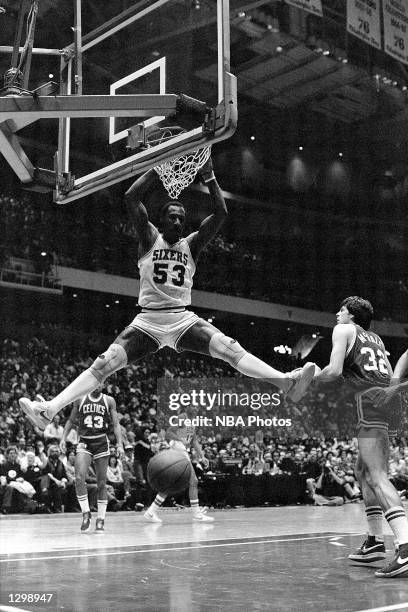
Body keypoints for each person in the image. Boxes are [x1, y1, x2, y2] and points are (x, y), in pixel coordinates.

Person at [19, 158, 315, 432]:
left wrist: (209, 176)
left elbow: (221, 212)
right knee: (103, 364)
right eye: (172, 217)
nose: (177, 222)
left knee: (229, 349)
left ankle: (285, 382)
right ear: (161, 220)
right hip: (147, 320)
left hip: (182, 318)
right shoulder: (149, 237)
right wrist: (158, 167)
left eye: (181, 218)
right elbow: (131, 198)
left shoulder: (192, 245)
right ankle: (49, 410)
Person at [314, 296, 408, 577]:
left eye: (341, 310)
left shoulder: (343, 330)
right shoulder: (376, 339)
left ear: (351, 316)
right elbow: (390, 374)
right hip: (387, 401)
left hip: (369, 402)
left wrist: (304, 376)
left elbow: (333, 371)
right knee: (362, 469)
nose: (336, 314)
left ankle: (404, 547)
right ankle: (375, 542)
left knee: (377, 475)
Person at [60, 387, 124, 533]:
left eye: (102, 383)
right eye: (96, 382)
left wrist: (120, 444)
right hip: (84, 442)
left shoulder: (109, 400)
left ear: (104, 384)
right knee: (78, 478)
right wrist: (63, 438)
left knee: (101, 483)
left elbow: (115, 424)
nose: (99, 385)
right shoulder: (80, 398)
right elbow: (71, 420)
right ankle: (86, 514)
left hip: (102, 442)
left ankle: (100, 519)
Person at [144, 411, 212, 522]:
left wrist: (202, 456)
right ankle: (196, 514)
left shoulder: (193, 422)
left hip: (182, 453)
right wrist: (180, 439)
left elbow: (193, 440)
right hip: (176, 452)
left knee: (169, 484)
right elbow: (168, 433)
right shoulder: (183, 417)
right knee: (193, 481)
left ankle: (151, 511)